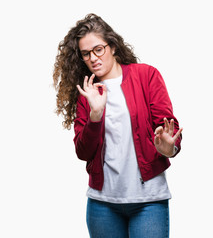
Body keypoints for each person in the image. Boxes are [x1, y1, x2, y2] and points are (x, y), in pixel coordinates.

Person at [53, 13, 183, 238]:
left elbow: (169, 131)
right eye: (86, 54)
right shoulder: (87, 93)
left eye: (98, 49)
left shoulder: (147, 75)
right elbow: (83, 152)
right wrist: (95, 115)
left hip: (148, 201)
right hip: (102, 204)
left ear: (112, 46)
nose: (93, 58)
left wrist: (168, 148)